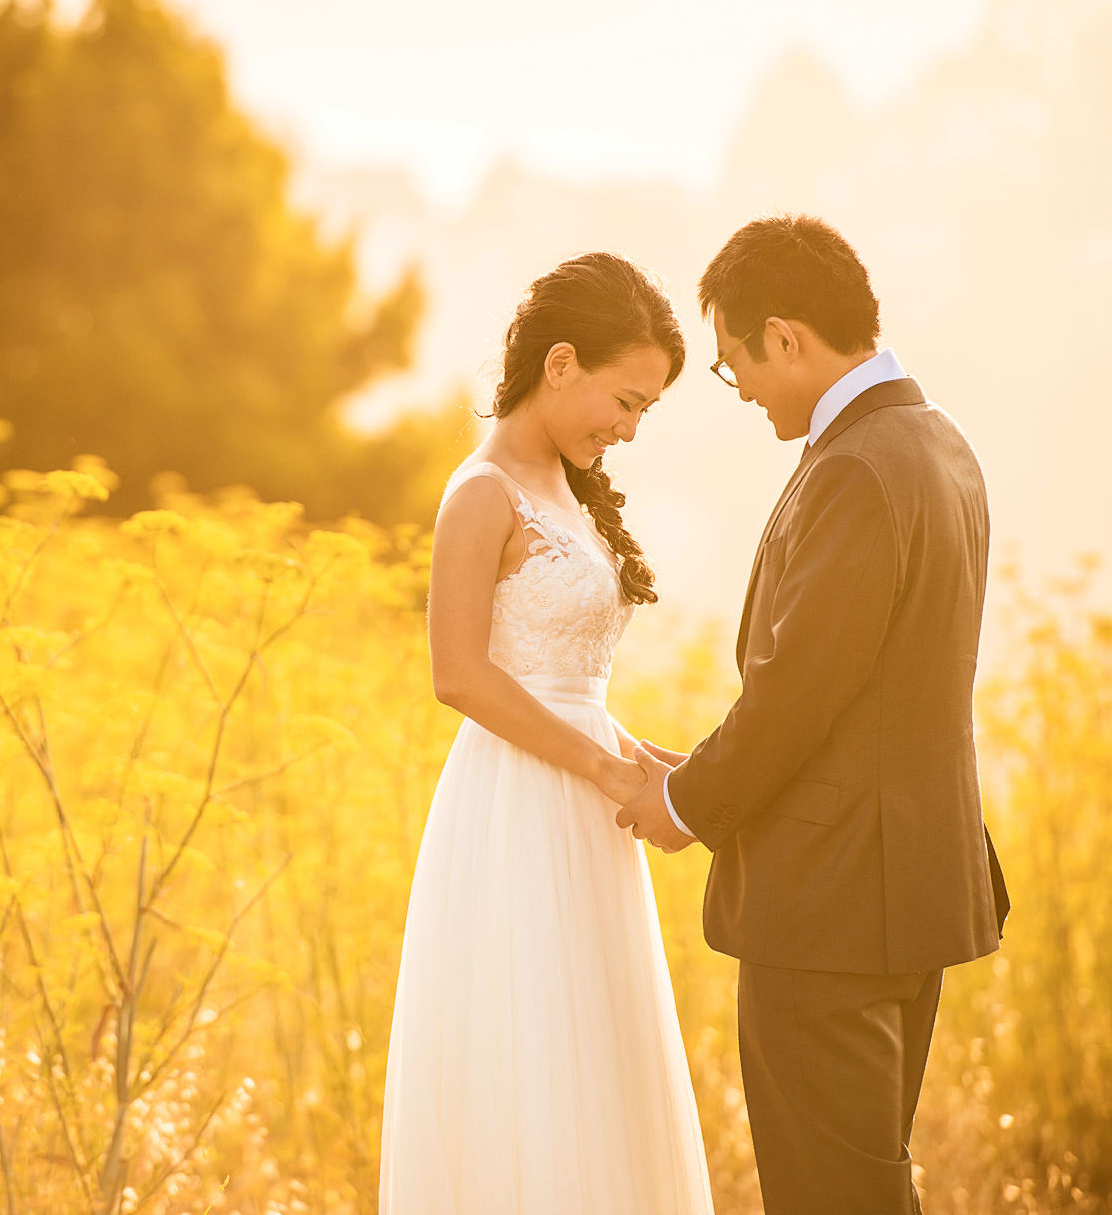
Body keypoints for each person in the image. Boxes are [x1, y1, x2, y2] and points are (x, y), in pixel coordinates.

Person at [616, 215, 1010, 1215]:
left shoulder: (855, 466)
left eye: (733, 363)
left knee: (834, 1195)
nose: (738, 387)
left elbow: (799, 691)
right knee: (864, 1179)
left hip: (832, 905)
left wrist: (686, 803)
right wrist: (689, 773)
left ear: (786, 337)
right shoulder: (941, 445)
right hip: (904, 893)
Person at [378, 251, 715, 1215]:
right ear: (559, 363)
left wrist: (640, 758)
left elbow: (568, 684)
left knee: (597, 1051)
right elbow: (461, 676)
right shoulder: (481, 492)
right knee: (529, 1046)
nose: (631, 427)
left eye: (646, 409)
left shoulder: (567, 489)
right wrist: (605, 772)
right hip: (516, 807)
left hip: (584, 798)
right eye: (626, 399)